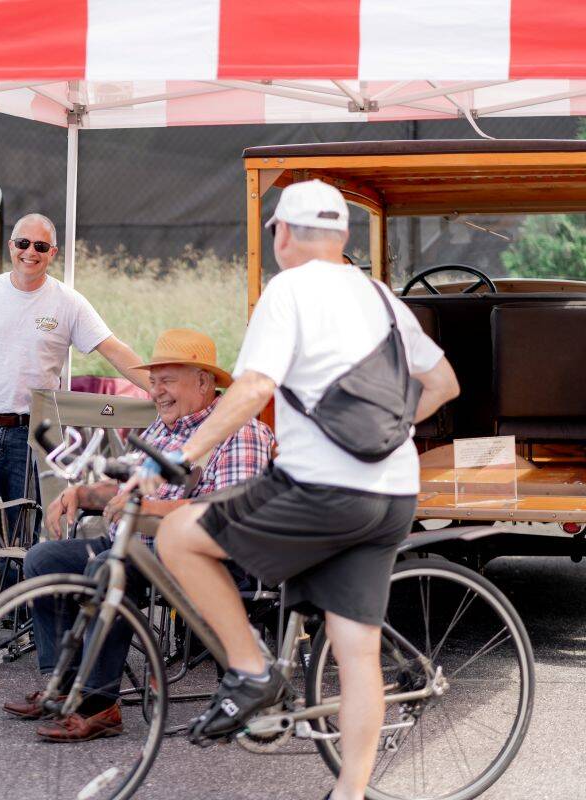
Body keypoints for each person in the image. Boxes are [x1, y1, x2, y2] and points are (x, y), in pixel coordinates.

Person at [153, 180, 460, 800]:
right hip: (393, 494)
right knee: (356, 655)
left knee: (179, 534)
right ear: (344, 236)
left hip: (324, 487)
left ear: (282, 235)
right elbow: (445, 383)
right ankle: (349, 795)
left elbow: (253, 387)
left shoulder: (286, 289)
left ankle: (249, 669)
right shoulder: (382, 297)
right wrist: (388, 432)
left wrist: (180, 455)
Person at [6, 329, 273, 742]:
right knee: (44, 559)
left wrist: (155, 510)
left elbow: (230, 511)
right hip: (137, 548)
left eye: (167, 380)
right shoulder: (161, 430)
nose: (156, 390)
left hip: (198, 560)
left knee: (109, 566)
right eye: (152, 381)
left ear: (203, 381)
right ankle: (61, 685)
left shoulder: (240, 433)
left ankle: (100, 704)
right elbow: (126, 486)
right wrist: (80, 493)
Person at [0, 213, 151, 651]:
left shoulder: (68, 303)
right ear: (11, 247)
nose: (30, 253)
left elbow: (114, 350)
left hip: (31, 430)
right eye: (23, 243)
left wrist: (161, 389)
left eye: (41, 247)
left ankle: (13, 619)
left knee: (23, 525)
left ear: (52, 254)